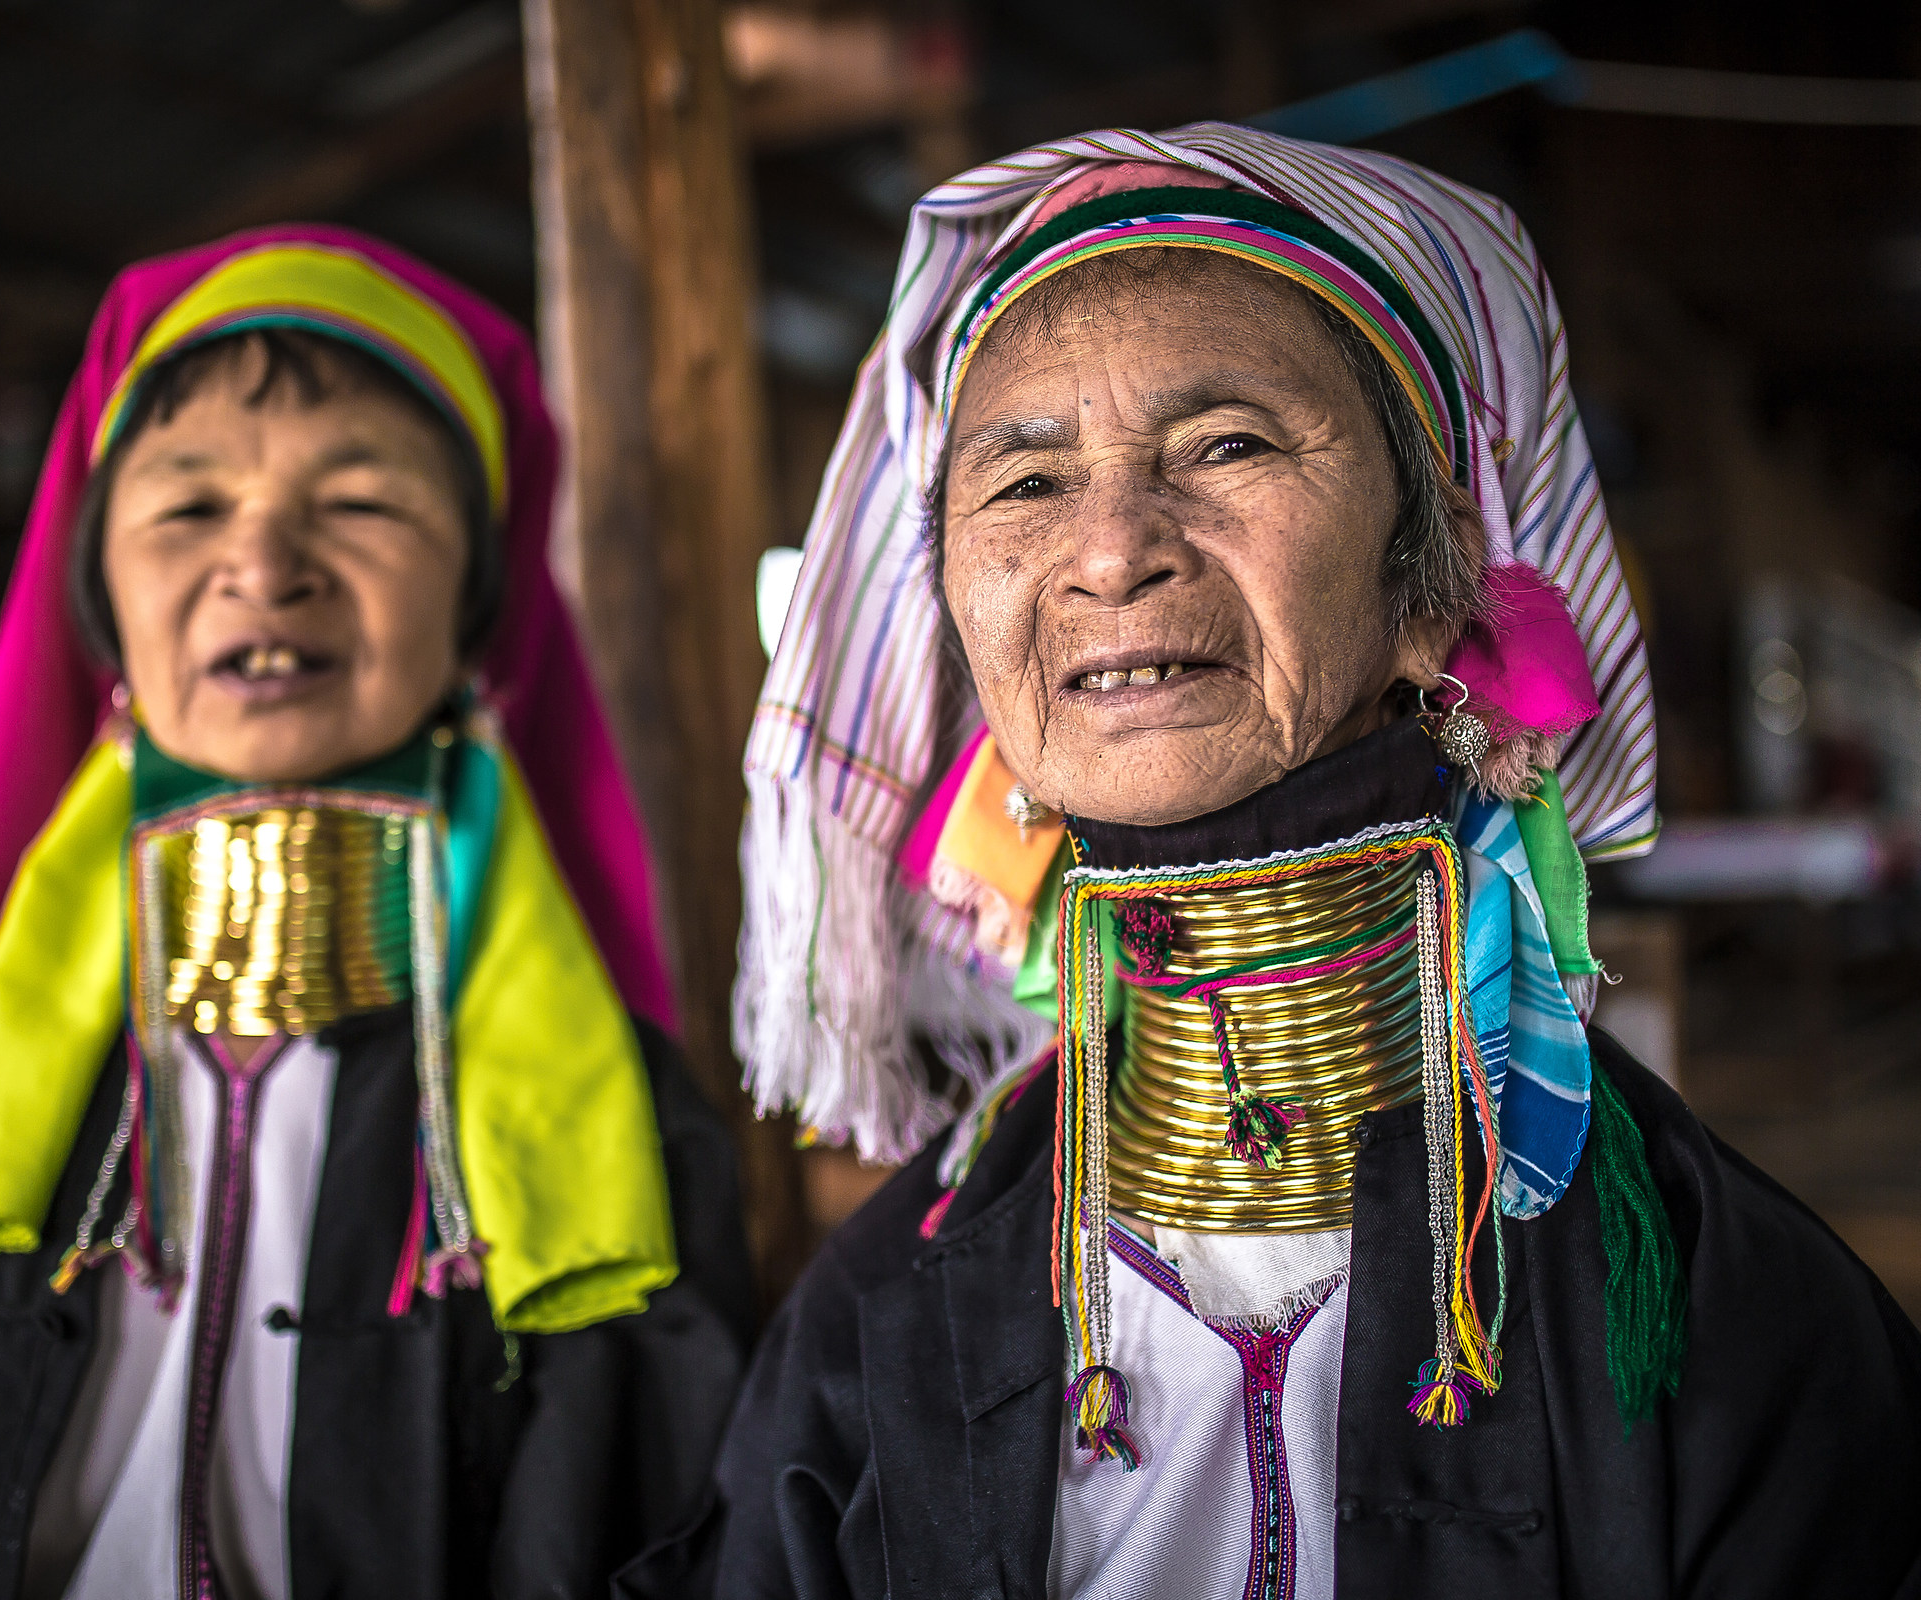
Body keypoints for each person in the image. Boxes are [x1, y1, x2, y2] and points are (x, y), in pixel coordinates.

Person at [708, 126, 1921, 1597]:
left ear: (1438, 585)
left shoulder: (1729, 1319)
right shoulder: (880, 1317)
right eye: (1024, 484)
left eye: (1226, 445)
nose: (1110, 552)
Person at [0, 227, 753, 1599]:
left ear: (477, 620)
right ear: (103, 610)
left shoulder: (615, 1143)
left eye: (362, 503)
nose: (264, 561)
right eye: (188, 507)